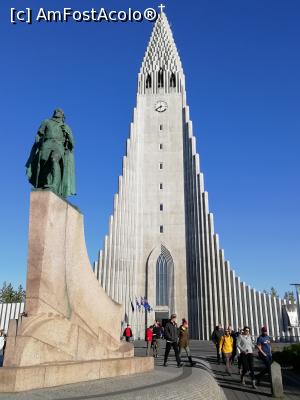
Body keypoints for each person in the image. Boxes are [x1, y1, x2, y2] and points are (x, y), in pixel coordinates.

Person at [26, 108, 76, 198]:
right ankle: (44, 182)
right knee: (44, 163)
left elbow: (72, 143)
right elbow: (39, 134)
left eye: (60, 112)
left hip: (58, 145)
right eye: (56, 111)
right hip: (47, 144)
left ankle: (54, 185)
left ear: (62, 115)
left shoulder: (65, 127)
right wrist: (37, 138)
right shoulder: (46, 122)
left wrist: (67, 133)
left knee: (54, 159)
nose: (57, 112)